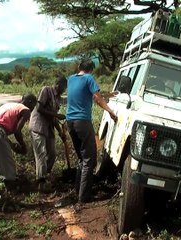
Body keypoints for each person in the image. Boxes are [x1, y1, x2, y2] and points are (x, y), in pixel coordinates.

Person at [66, 58, 117, 205]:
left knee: (82, 158)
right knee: (90, 159)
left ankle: (78, 190)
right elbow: (97, 98)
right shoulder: (89, 78)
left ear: (78, 67)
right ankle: (84, 197)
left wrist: (109, 95)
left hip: (70, 122)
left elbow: (89, 95)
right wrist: (110, 112)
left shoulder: (71, 79)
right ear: (91, 69)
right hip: (82, 122)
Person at [0, 94, 37, 191]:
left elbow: (1, 128)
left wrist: (11, 145)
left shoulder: (10, 105)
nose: (33, 109)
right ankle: (12, 193)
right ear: (29, 102)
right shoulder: (25, 110)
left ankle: (1, 194)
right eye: (34, 105)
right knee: (7, 165)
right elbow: (17, 131)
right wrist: (23, 147)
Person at [29, 76, 67, 192]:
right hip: (38, 126)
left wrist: (60, 132)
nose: (64, 90)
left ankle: (44, 175)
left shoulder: (58, 98)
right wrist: (56, 115)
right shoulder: (46, 90)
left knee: (52, 154)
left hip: (48, 128)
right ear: (59, 84)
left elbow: (53, 117)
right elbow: (39, 108)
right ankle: (41, 182)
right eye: (64, 87)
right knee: (41, 154)